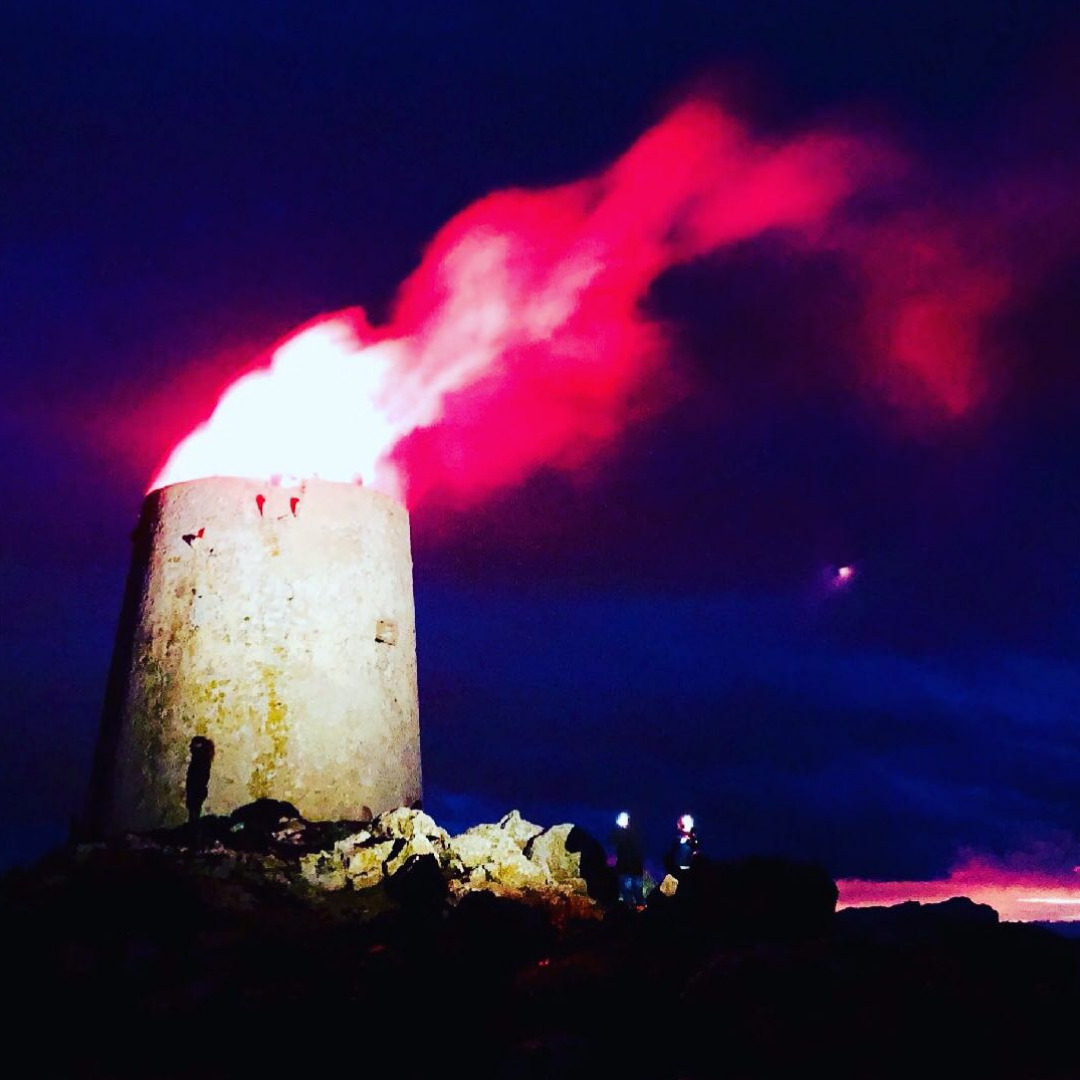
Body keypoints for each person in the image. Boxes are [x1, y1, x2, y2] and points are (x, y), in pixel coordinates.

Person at [609, 810, 644, 906]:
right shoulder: (620, 833)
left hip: (631, 869)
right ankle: (632, 916)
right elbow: (612, 841)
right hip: (626, 869)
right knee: (629, 897)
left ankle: (639, 917)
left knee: (636, 896)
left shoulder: (633, 832)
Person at [665, 813, 699, 879]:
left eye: (688, 823)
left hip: (688, 873)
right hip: (675, 871)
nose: (683, 825)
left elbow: (695, 853)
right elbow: (670, 854)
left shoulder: (693, 841)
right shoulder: (676, 840)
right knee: (668, 888)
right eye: (681, 823)